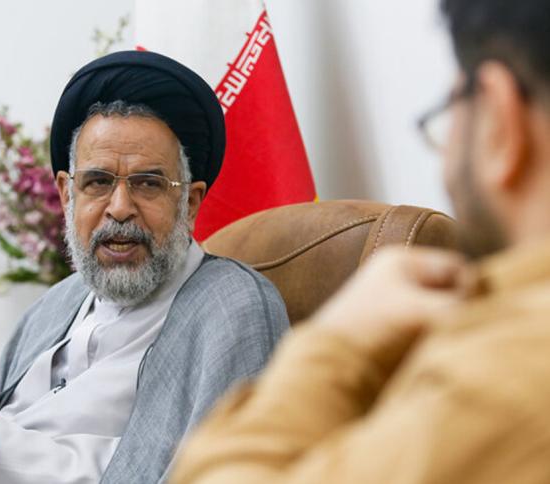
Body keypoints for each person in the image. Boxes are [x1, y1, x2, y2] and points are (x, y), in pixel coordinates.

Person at [171, 1, 550, 483]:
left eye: (452, 108)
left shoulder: (503, 377)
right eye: (96, 181)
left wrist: (337, 344)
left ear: (498, 118)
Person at [0, 51, 289, 484]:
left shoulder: (233, 307)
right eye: (98, 182)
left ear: (189, 202)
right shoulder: (54, 306)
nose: (120, 208)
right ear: (66, 195)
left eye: (148, 184)